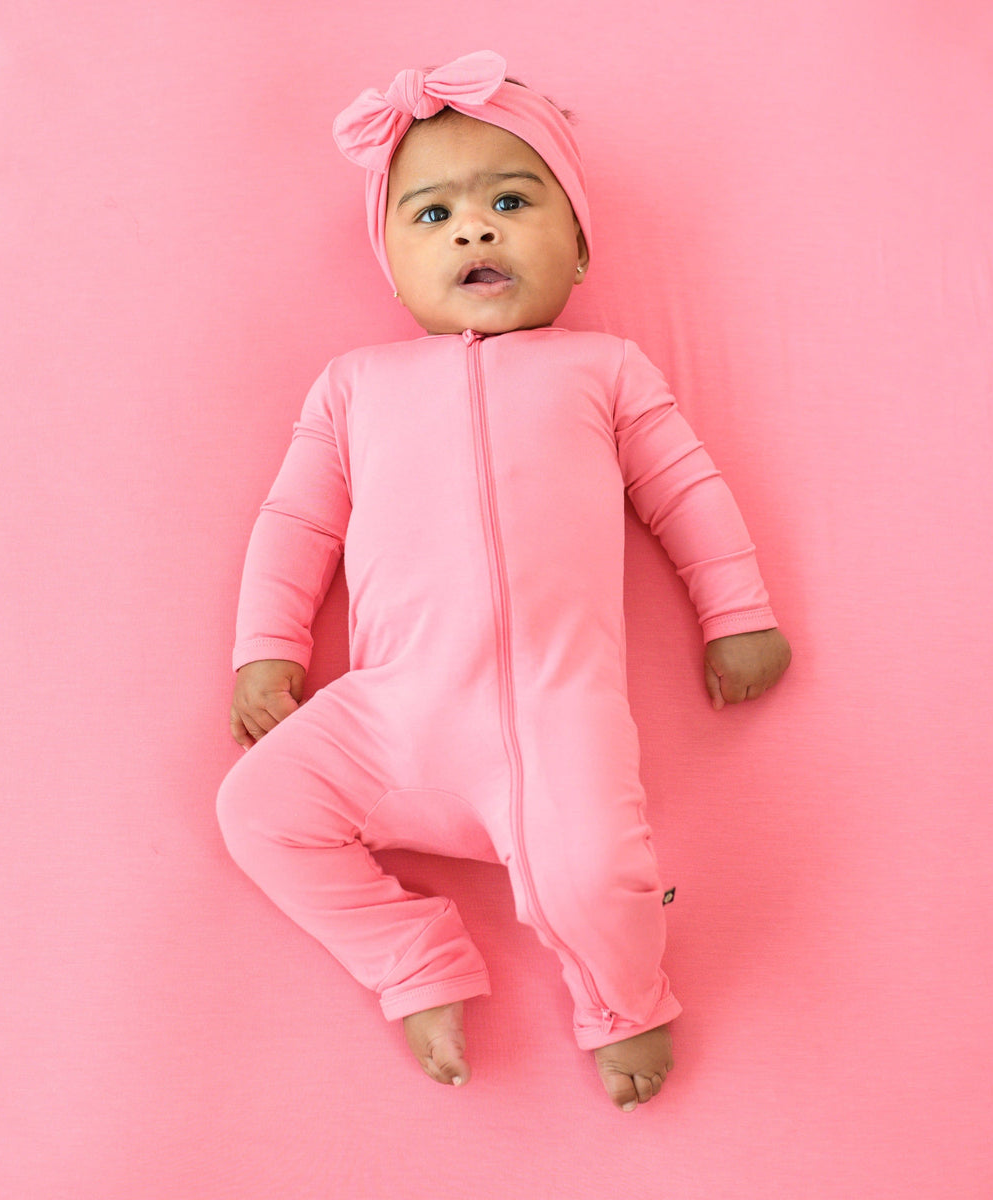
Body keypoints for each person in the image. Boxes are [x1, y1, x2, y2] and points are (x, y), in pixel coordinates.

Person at [216, 50, 792, 1114]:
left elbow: (686, 491)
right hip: (390, 711)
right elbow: (297, 524)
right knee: (256, 811)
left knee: (600, 880)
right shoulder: (354, 387)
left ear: (579, 247)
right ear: (391, 264)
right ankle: (413, 957)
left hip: (556, 707)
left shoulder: (605, 369)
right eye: (433, 216)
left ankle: (624, 1002)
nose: (475, 231)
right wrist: (269, 649)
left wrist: (738, 612)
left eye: (512, 203)